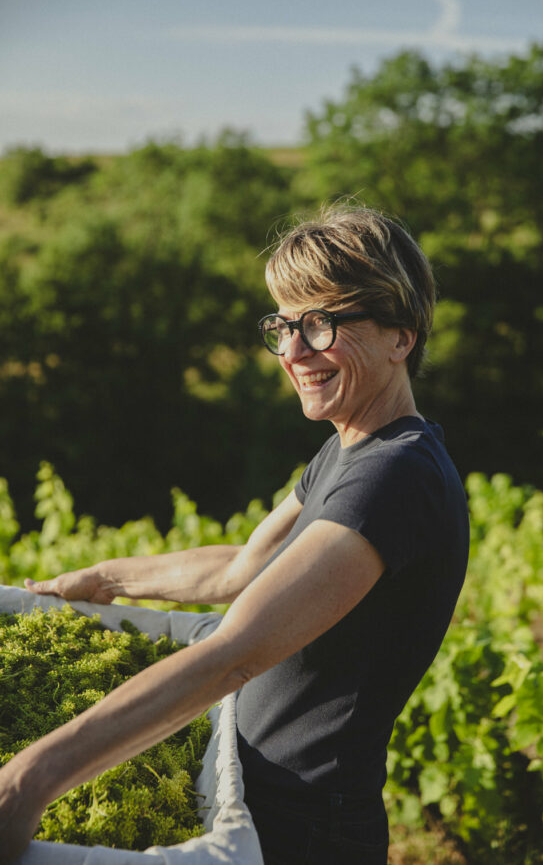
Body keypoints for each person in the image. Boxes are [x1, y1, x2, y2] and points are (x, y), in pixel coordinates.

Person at [0, 205, 469, 865]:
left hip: (304, 827)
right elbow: (244, 566)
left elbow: (235, 652)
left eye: (321, 323)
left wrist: (26, 783)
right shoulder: (352, 449)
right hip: (252, 797)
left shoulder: (395, 478)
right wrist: (105, 579)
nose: (292, 351)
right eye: (283, 324)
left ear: (402, 335)